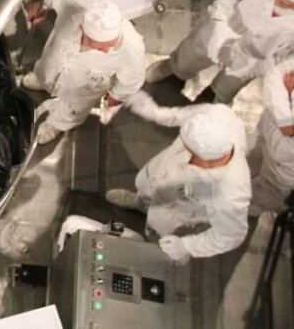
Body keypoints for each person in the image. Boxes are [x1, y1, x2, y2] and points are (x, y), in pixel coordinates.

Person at [107, 92, 251, 263]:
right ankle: (139, 203)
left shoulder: (231, 191)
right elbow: (181, 115)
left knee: (160, 236)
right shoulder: (218, 116)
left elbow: (231, 235)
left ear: (204, 159)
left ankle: (157, 253)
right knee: (145, 187)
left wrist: (187, 246)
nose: (183, 147)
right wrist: (154, 112)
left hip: (178, 210)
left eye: (188, 149)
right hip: (161, 172)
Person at [146, 0, 294, 104]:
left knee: (230, 83)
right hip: (234, 21)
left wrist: (257, 66)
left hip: (265, 49)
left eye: (287, 3)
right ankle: (175, 68)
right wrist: (221, 22)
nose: (277, 1)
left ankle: (212, 98)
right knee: (195, 50)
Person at [21, 0, 145, 144]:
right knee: (46, 70)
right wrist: (43, 4)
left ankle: (57, 125)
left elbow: (133, 78)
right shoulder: (76, 0)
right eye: (98, 45)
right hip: (54, 61)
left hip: (82, 90)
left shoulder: (132, 48)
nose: (106, 50)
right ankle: (43, 82)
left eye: (110, 44)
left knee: (71, 109)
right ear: (82, 27)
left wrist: (118, 95)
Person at [250, 58, 294, 215]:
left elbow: (281, 150)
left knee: (248, 206)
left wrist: (286, 98)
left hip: (278, 177)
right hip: (266, 145)